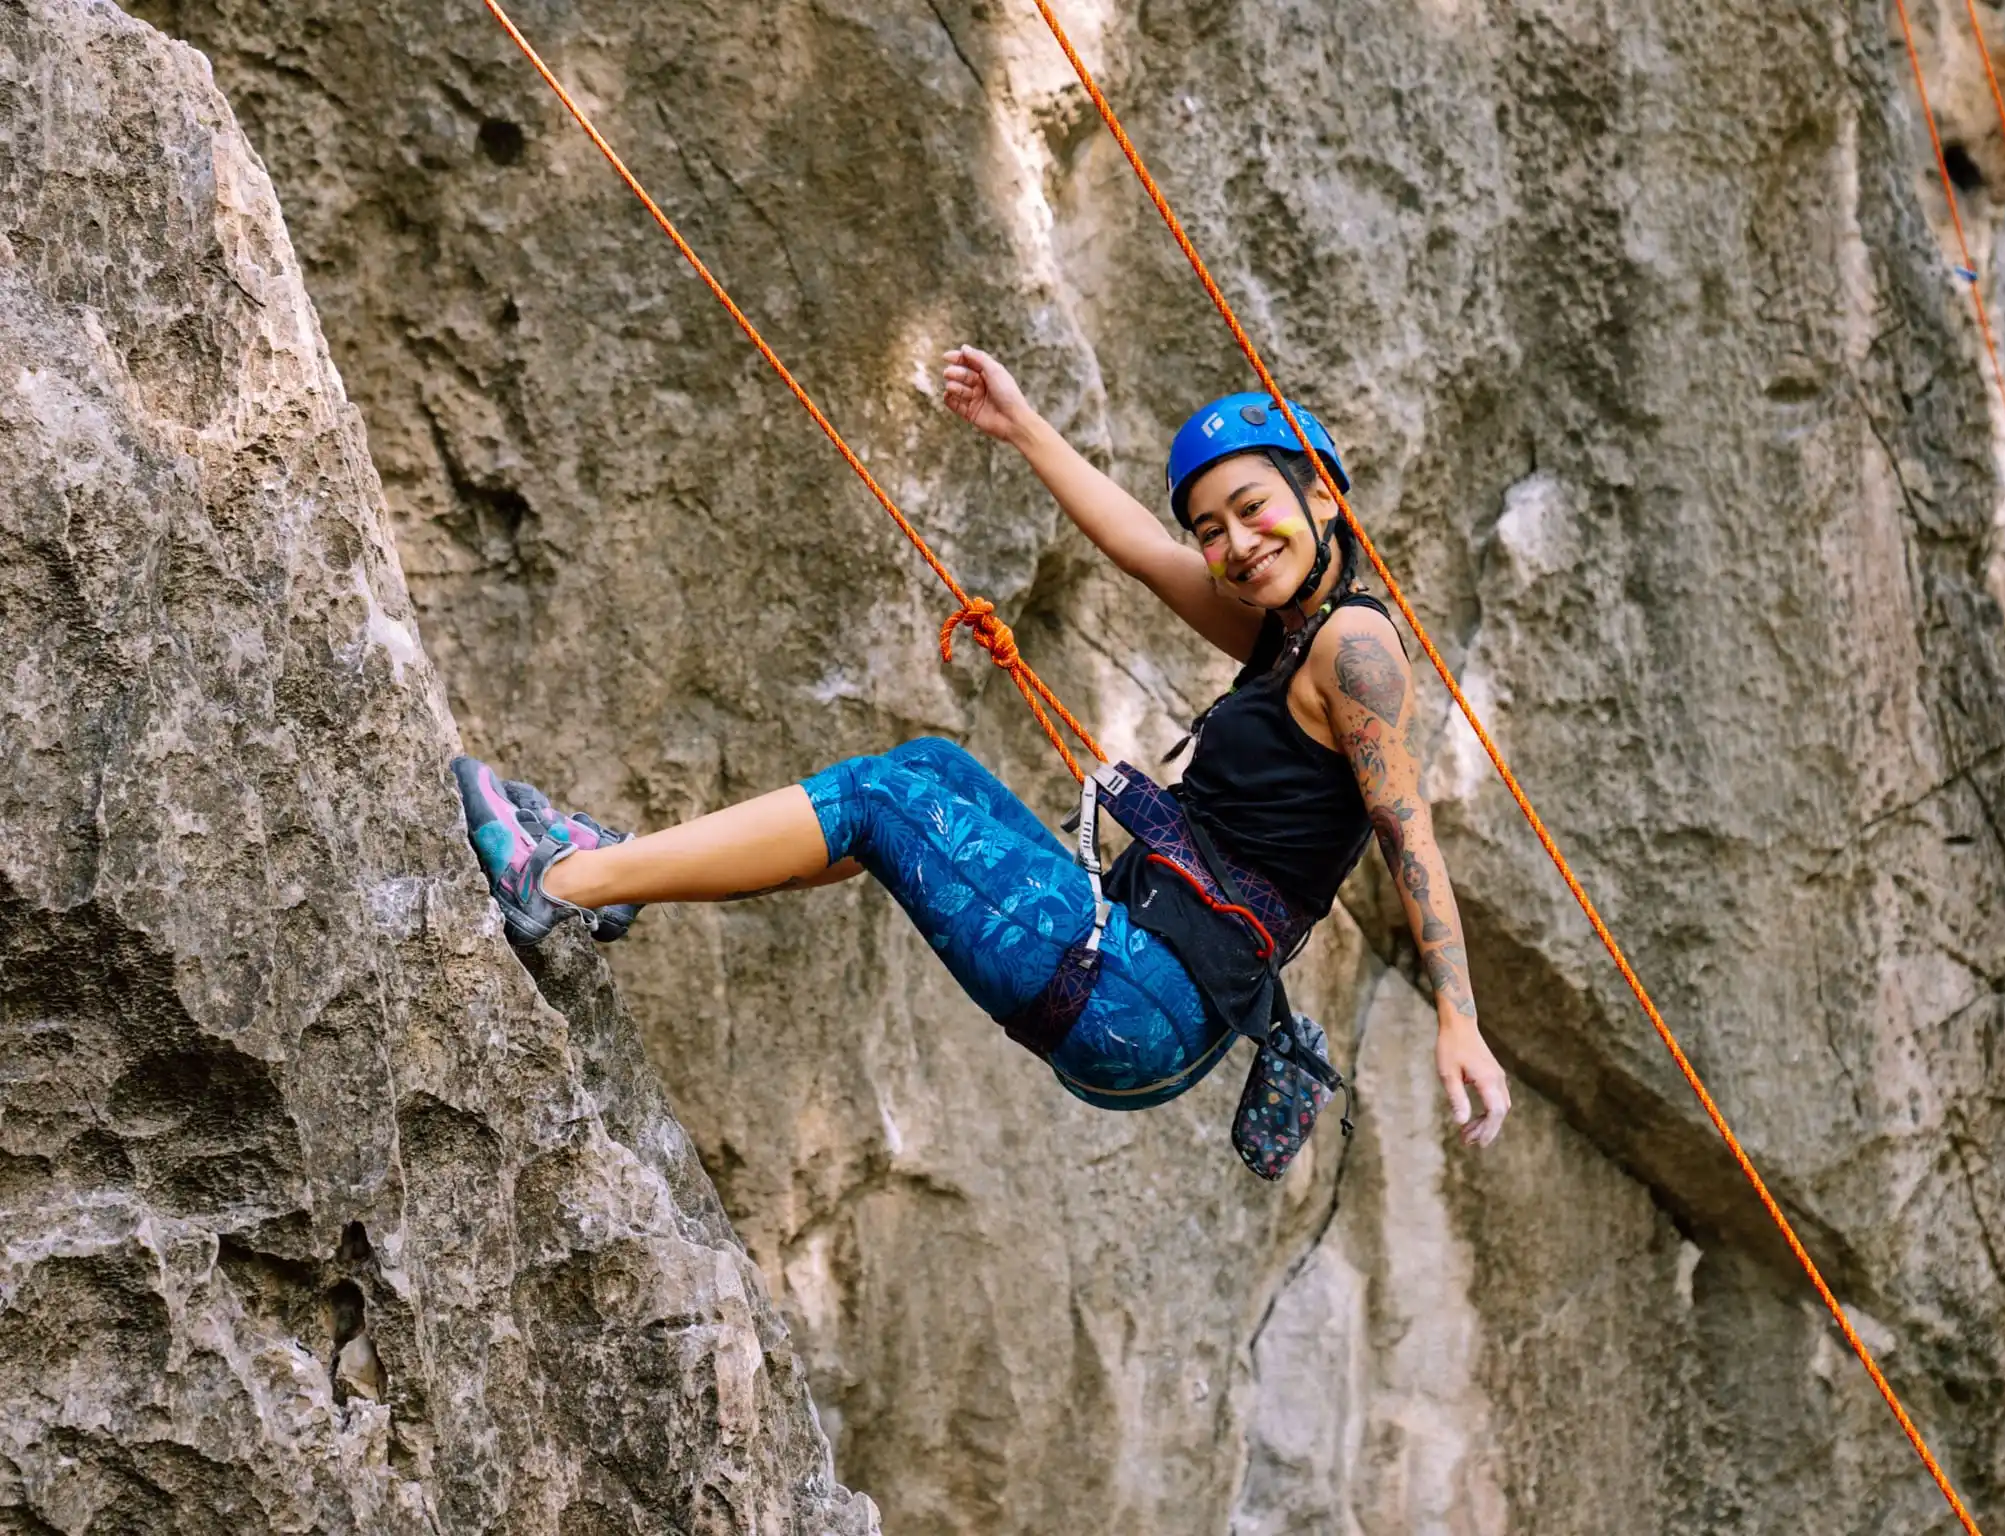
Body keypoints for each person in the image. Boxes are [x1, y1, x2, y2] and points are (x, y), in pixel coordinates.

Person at [452, 346, 1511, 1150]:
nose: (1232, 546)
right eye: (1210, 528)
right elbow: (1138, 551)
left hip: (1144, 993)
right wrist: (1020, 427)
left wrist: (1457, 1020)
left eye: (1252, 511)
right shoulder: (1283, 635)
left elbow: (1403, 830)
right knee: (925, 783)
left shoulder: (1354, 646)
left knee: (888, 795)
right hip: (1146, 983)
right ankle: (615, 874)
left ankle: (567, 882)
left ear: (1322, 498)